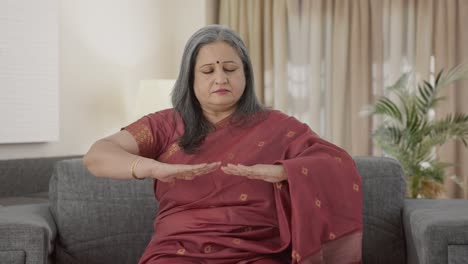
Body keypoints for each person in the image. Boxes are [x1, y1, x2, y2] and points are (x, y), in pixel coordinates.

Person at [84, 25, 362, 264]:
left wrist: (285, 172)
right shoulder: (165, 125)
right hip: (176, 252)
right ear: (190, 79)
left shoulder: (278, 126)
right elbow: (97, 155)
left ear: (246, 75)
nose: (221, 78)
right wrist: (152, 168)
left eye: (230, 68)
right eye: (207, 71)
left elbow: (336, 163)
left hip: (258, 252)